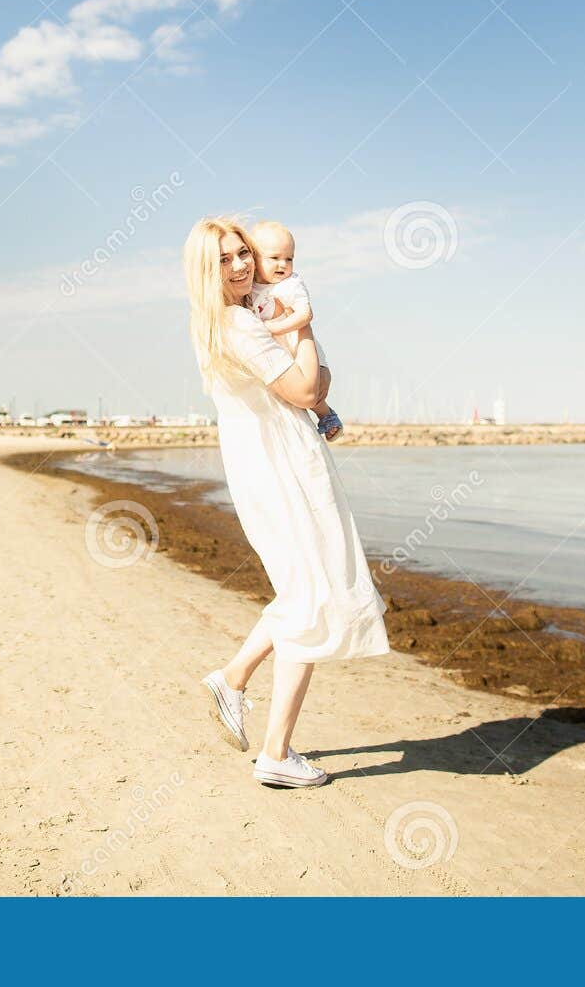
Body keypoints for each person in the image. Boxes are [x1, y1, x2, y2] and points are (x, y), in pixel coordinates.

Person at [182, 215, 390, 788]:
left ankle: (234, 678)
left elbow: (315, 386)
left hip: (279, 461)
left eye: (243, 253)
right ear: (206, 270)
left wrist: (314, 372)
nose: (242, 265)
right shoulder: (240, 325)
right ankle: (275, 752)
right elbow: (306, 388)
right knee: (312, 598)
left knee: (307, 591)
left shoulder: (240, 319)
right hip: (280, 470)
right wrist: (305, 332)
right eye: (225, 259)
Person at [244, 220, 343, 440]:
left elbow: (305, 314)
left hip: (304, 352)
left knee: (312, 392)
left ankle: (327, 416)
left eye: (289, 259)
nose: (283, 265)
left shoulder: (289, 284)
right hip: (283, 355)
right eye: (274, 258)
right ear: (254, 257)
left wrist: (273, 327)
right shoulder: (249, 287)